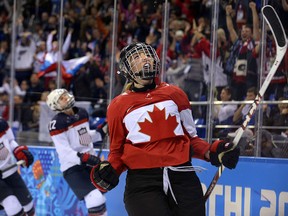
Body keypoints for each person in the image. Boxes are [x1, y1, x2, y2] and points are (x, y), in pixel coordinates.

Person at [90, 42, 240, 215]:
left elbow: (192, 140)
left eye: (148, 55)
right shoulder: (118, 105)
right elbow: (117, 152)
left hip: (182, 177)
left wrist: (216, 150)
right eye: (137, 57)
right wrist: (108, 171)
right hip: (143, 183)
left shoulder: (175, 94)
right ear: (127, 69)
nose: (145, 58)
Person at [46, 88, 107, 216]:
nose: (66, 97)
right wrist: (85, 158)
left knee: (98, 199)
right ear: (56, 105)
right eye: (61, 98)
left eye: (66, 94)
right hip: (72, 167)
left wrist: (101, 132)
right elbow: (64, 152)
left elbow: (83, 138)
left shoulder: (82, 113)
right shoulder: (56, 123)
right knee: (95, 198)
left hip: (88, 162)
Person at [0, 118, 35, 216]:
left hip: (10, 170)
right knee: (12, 204)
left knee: (29, 206)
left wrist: (18, 150)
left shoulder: (2, 123)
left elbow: (10, 141)